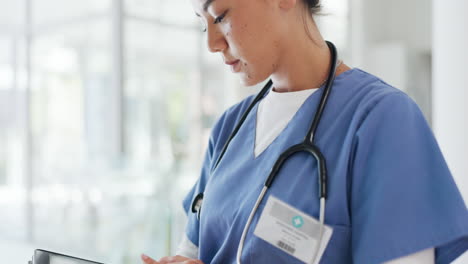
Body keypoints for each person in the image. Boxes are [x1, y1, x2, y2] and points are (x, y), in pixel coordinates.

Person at [141, 0, 468, 263]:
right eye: (202, 24)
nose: (211, 44)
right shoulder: (229, 128)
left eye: (221, 16)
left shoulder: (381, 119)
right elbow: (193, 249)